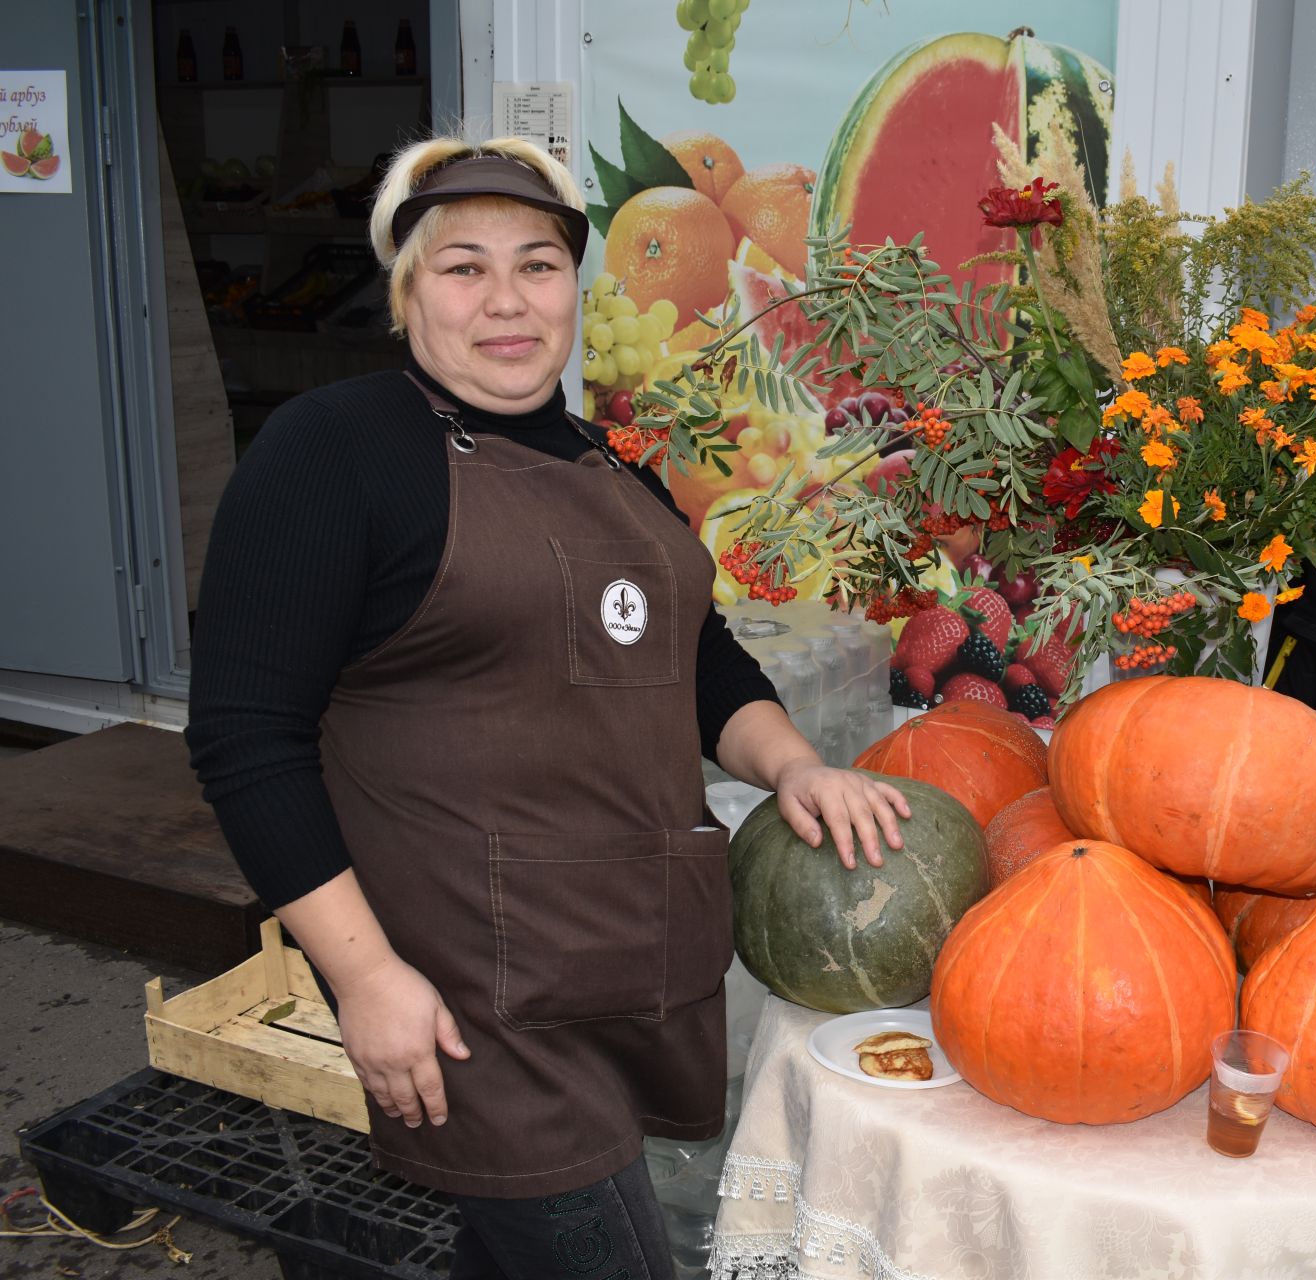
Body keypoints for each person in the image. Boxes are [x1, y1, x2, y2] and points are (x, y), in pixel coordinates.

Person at [185, 135, 910, 1280]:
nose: (506, 300)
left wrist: (793, 765)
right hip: (471, 992)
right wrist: (367, 976)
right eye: (462, 266)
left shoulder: (604, 458)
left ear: (578, 285)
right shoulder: (334, 451)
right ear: (406, 290)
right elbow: (244, 737)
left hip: (617, 955)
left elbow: (698, 655)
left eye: (538, 263)